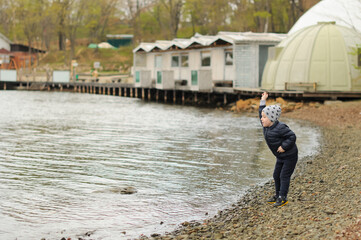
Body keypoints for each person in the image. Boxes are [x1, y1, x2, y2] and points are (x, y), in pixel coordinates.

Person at [259, 92, 298, 207]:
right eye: (262, 117)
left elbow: (292, 136)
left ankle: (283, 197)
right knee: (276, 175)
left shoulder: (280, 127)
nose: (261, 119)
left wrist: (283, 146)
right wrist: (263, 100)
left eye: (264, 117)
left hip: (290, 156)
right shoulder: (266, 125)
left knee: (283, 176)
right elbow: (260, 112)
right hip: (280, 157)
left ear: (271, 118)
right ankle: (277, 195)